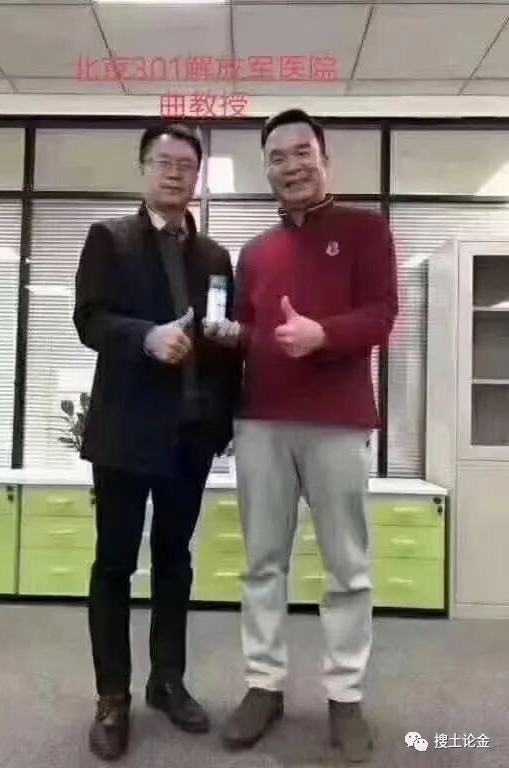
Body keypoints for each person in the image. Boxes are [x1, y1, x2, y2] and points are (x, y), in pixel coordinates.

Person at [209, 109, 398, 764]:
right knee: (263, 562)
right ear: (266, 169)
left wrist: (324, 334)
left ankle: (345, 695)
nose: (290, 165)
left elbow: (382, 314)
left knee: (347, 565)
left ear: (324, 158)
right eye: (277, 157)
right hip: (260, 420)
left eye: (301, 152)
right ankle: (264, 686)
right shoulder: (255, 252)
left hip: (338, 422)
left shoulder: (367, 230)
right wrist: (230, 337)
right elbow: (247, 330)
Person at [73, 123, 240, 761]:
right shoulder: (109, 238)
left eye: (185, 165)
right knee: (114, 563)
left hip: (190, 436)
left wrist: (225, 411)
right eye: (162, 162)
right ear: (143, 168)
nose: (174, 173)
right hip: (125, 432)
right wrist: (145, 336)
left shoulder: (215, 256)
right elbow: (90, 319)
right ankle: (112, 695)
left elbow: (222, 337)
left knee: (175, 561)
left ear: (198, 178)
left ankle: (167, 680)